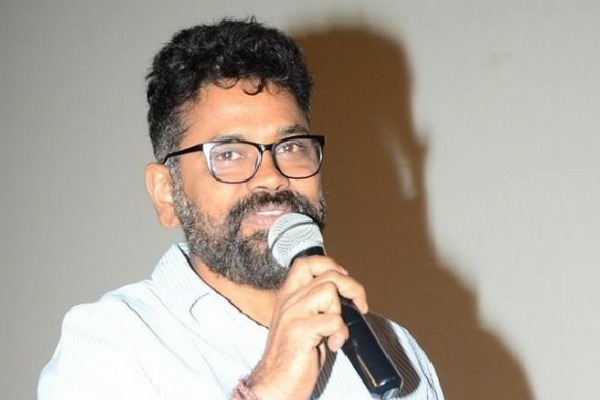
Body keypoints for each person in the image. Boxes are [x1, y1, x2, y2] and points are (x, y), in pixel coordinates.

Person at [38, 18, 444, 400]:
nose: (272, 177)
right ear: (166, 193)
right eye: (229, 153)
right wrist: (267, 388)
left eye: (291, 147)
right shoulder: (114, 343)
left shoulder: (394, 349)